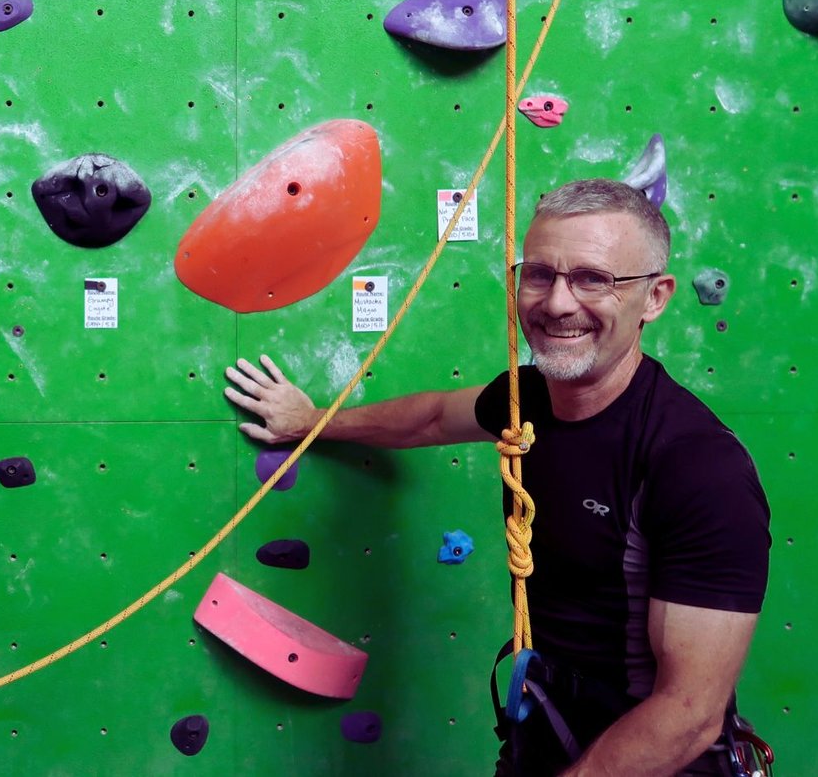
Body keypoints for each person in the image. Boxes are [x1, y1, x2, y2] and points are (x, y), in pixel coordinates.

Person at [225, 179, 770, 776]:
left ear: (657, 296)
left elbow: (688, 713)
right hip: (548, 731)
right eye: (539, 274)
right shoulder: (527, 401)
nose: (558, 303)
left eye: (594, 279)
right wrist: (315, 422)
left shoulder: (695, 467)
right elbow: (431, 417)